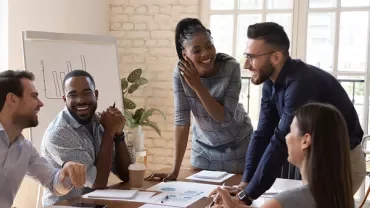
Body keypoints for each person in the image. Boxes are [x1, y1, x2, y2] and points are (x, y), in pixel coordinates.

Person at [214, 22, 365, 205]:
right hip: (316, 161)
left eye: (252, 57)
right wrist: (245, 184)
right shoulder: (271, 81)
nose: (246, 64)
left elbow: (279, 141)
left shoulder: (300, 85)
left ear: (276, 57)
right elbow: (262, 133)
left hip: (342, 162)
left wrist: (247, 197)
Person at [145, 18, 253, 181]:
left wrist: (197, 85)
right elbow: (182, 121)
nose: (206, 54)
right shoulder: (180, 73)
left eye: (209, 46)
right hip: (203, 149)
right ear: (185, 54)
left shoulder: (231, 67)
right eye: (197, 50)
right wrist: (175, 171)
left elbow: (224, 118)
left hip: (238, 146)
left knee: (233, 202)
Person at [210, 103, 354, 208]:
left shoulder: (285, 202)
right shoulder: (337, 195)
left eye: (290, 131)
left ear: (305, 141)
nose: (286, 137)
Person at [41, 70, 133, 206]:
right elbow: (98, 182)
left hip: (94, 204)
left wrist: (118, 135)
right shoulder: (59, 134)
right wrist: (109, 132)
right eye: (73, 95)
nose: (80, 100)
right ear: (65, 99)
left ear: (96, 94)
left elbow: (127, 175)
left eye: (86, 93)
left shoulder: (99, 122)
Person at [0, 70, 87, 208]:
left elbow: (53, 182)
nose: (40, 104)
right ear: (12, 99)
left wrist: (68, 172)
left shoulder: (25, 148)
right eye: (34, 96)